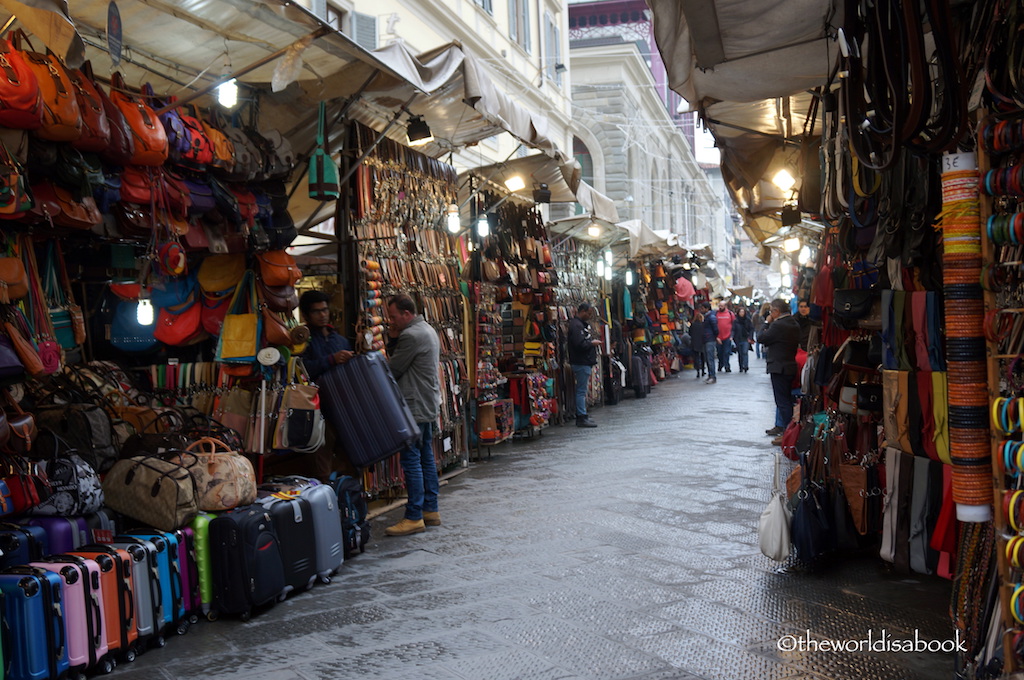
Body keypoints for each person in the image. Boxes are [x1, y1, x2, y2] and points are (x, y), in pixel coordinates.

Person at [384, 294, 442, 537]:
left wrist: (391, 341)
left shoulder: (410, 335)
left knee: (411, 459)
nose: (392, 321)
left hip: (415, 404)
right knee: (426, 456)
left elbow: (393, 369)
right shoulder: (427, 329)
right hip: (426, 403)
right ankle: (430, 509)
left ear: (406, 314)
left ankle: (414, 515)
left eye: (394, 316)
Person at [759, 299, 801, 444]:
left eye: (771, 311)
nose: (770, 314)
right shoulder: (794, 323)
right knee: (786, 401)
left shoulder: (778, 325)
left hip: (779, 367)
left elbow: (761, 338)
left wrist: (766, 322)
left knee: (782, 402)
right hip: (789, 365)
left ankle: (788, 434)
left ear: (776, 311)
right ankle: (787, 430)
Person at [299, 290, 354, 380]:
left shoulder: (341, 341)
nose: (322, 315)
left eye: (325, 310)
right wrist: (331, 360)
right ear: (305, 315)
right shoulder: (301, 343)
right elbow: (301, 372)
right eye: (316, 312)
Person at [567, 302, 602, 427]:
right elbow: (579, 344)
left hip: (583, 362)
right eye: (588, 313)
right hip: (581, 362)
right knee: (581, 391)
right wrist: (591, 343)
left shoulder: (579, 325)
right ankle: (581, 417)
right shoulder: (576, 326)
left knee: (582, 390)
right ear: (582, 311)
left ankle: (583, 415)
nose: (589, 316)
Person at [700, 301, 719, 384]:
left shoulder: (711, 317)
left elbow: (716, 329)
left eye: (702, 308)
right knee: (707, 358)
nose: (701, 310)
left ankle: (712, 376)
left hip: (709, 340)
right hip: (706, 339)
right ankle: (710, 375)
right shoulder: (707, 317)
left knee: (710, 358)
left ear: (706, 308)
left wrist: (713, 337)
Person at [732, 306, 754, 373]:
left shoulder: (747, 320)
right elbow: (733, 329)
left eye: (743, 312)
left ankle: (745, 366)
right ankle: (741, 366)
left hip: (745, 339)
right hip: (738, 339)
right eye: (740, 312)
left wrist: (750, 337)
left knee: (745, 352)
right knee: (740, 353)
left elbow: (751, 329)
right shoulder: (736, 321)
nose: (742, 313)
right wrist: (732, 336)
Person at [716, 302, 735, 373]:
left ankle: (727, 366)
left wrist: (732, 335)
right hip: (718, 337)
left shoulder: (730, 314)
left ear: (725, 306)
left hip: (727, 336)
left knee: (726, 352)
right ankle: (720, 365)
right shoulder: (716, 314)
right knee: (719, 353)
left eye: (722, 306)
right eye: (719, 306)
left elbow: (734, 325)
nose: (720, 307)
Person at [688, 308, 706, 379]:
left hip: (694, 342)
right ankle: (703, 370)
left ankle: (698, 371)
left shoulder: (693, 325)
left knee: (696, 357)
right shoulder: (703, 325)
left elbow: (690, 333)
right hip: (702, 342)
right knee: (702, 357)